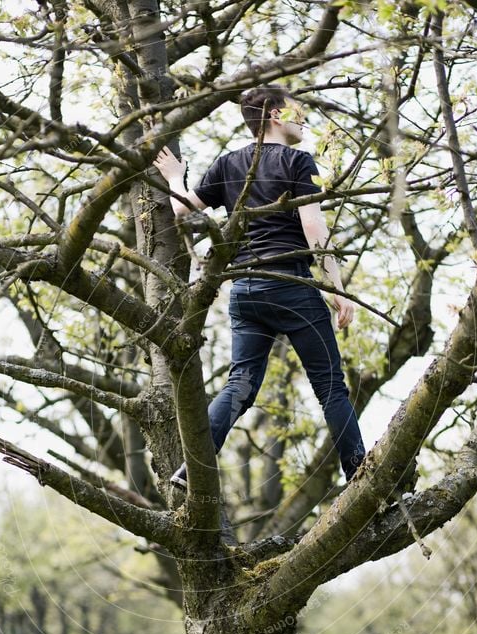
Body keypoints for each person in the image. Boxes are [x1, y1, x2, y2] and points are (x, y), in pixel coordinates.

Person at [153, 84, 365, 491]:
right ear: (273, 115)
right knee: (331, 388)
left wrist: (176, 179)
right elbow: (313, 227)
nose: (302, 118)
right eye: (295, 111)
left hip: (246, 292)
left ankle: (190, 468)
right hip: (290, 285)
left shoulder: (228, 163)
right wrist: (337, 288)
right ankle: (360, 475)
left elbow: (180, 211)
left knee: (239, 386)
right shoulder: (298, 161)